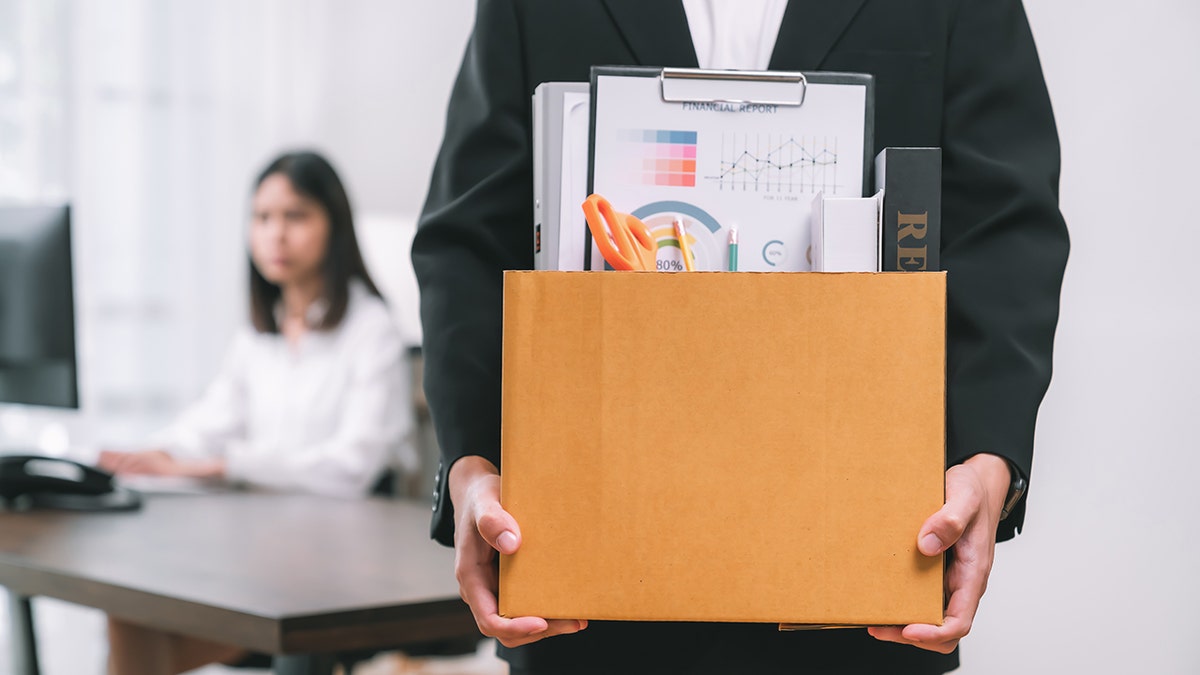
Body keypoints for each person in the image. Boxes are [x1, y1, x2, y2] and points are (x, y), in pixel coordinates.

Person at [412, 1, 1069, 673]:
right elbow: (466, 239)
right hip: (592, 608)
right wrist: (472, 467)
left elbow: (1008, 229)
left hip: (859, 602)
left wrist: (989, 464)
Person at [99, 150, 414, 675]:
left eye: (296, 216)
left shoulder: (371, 328)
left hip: (336, 564)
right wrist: (150, 455)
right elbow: (211, 421)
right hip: (260, 547)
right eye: (263, 218)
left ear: (334, 227)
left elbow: (352, 467)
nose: (276, 235)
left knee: (149, 631)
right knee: (131, 607)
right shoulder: (261, 330)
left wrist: (227, 465)